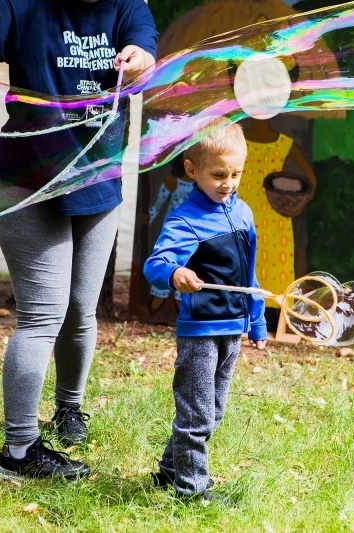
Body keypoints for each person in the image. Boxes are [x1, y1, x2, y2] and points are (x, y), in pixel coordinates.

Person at [0, 0, 158, 482]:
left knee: (81, 310)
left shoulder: (127, 7)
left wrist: (136, 62)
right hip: (29, 185)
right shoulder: (22, 5)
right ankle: (18, 452)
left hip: (96, 185)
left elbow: (143, 55)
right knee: (42, 316)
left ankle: (69, 409)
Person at [143, 122, 267, 503]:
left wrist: (257, 320)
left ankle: (168, 470)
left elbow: (250, 277)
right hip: (199, 331)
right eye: (218, 174)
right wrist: (175, 273)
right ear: (192, 170)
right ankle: (191, 491)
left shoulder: (243, 213)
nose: (228, 182)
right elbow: (156, 263)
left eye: (236, 174)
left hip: (232, 328)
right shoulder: (186, 220)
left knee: (213, 411)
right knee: (196, 416)